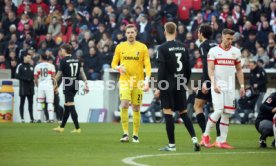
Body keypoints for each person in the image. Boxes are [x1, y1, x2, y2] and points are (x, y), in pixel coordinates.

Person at [155, 22, 200, 152]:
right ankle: (195, 139)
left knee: (167, 112)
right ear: (176, 32)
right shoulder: (183, 47)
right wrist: (183, 82)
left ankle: (172, 145)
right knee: (184, 113)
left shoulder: (162, 48)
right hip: (180, 84)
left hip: (168, 85)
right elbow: (188, 69)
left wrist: (159, 86)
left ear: (164, 32)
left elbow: (161, 70)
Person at [202, 28, 245, 149]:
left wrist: (242, 86)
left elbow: (239, 70)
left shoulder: (236, 51)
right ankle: (205, 135)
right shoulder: (214, 51)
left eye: (232, 39)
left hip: (231, 86)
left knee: (227, 114)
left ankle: (221, 141)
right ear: (222, 37)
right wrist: (213, 83)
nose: (230, 41)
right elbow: (210, 68)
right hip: (218, 85)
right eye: (228, 38)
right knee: (219, 110)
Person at [111, 24, 151, 143]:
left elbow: (148, 65)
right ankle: (125, 133)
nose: (130, 34)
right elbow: (113, 63)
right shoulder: (120, 47)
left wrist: (147, 80)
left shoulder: (142, 47)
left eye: (132, 32)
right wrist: (118, 68)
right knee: (124, 104)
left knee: (136, 107)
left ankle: (135, 134)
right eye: (128, 32)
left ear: (136, 33)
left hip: (138, 82)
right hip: (124, 81)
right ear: (125, 34)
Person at [193, 24, 221, 145]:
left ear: (201, 33)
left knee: (197, 105)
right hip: (220, 80)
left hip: (209, 80)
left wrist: (205, 81)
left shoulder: (203, 46)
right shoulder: (217, 44)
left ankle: (205, 135)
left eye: (198, 32)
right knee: (218, 109)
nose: (197, 34)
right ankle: (220, 138)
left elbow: (206, 64)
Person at [53, 44, 89, 133]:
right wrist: (86, 82)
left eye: (61, 50)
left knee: (71, 105)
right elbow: (82, 72)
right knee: (67, 106)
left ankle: (77, 128)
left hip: (68, 83)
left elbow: (59, 75)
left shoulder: (63, 61)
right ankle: (62, 127)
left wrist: (54, 84)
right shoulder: (77, 59)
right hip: (75, 83)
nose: (60, 52)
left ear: (65, 50)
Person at [34, 54, 56, 123]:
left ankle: (38, 118)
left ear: (41, 58)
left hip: (41, 85)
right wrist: (55, 86)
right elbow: (54, 76)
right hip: (49, 85)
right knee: (50, 102)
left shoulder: (37, 66)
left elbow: (35, 78)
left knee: (40, 102)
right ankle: (51, 118)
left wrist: (38, 86)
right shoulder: (51, 66)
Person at [16, 54, 34, 123]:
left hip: (31, 88)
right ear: (24, 57)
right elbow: (17, 76)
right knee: (22, 103)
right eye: (28, 57)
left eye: (30, 58)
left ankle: (31, 118)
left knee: (31, 103)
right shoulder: (20, 66)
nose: (29, 59)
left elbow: (34, 76)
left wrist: (31, 79)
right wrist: (25, 79)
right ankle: (22, 118)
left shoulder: (32, 66)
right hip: (23, 87)